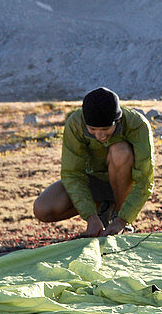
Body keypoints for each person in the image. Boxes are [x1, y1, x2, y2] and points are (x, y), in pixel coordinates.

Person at [33, 87, 154, 237]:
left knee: (120, 151)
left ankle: (116, 216)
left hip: (124, 185)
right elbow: (72, 174)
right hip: (92, 182)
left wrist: (122, 220)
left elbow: (144, 180)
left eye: (105, 129)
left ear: (117, 120)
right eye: (92, 129)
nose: (100, 135)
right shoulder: (76, 123)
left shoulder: (137, 125)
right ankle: (102, 208)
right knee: (42, 209)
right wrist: (90, 216)